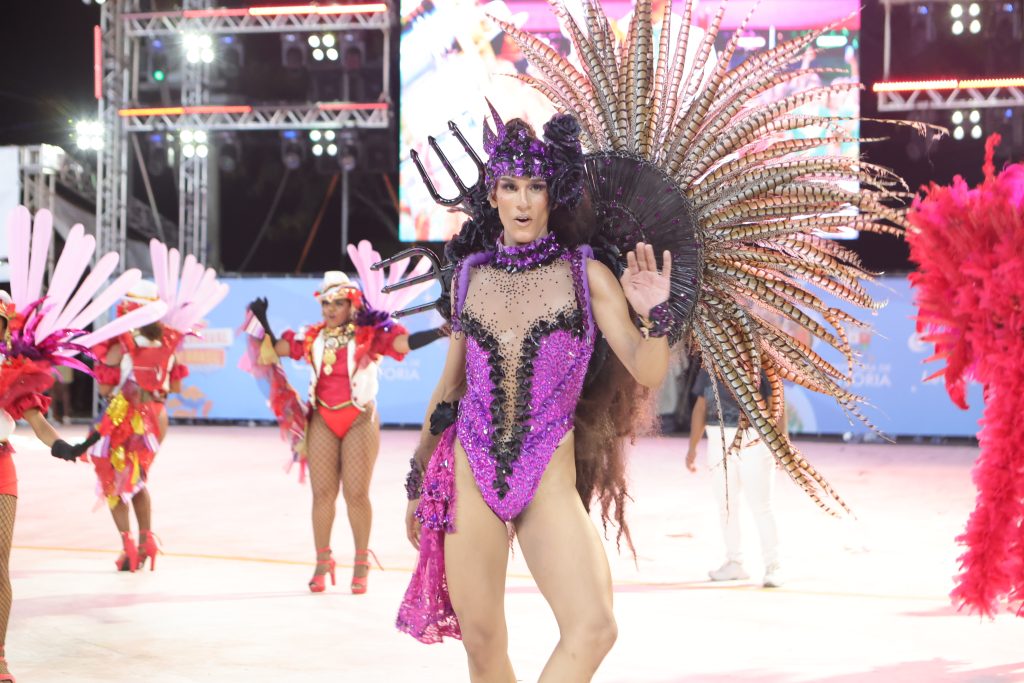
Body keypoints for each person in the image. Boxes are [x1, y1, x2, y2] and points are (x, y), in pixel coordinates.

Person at [396, 109, 674, 682]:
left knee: (595, 626)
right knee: (482, 642)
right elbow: (449, 389)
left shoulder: (585, 274)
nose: (522, 201)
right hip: (470, 471)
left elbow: (646, 370)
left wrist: (656, 316)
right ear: (492, 196)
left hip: (546, 478)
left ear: (553, 195)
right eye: (510, 186)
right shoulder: (470, 276)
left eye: (536, 186)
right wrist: (418, 479)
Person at [247, 269, 444, 594]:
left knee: (356, 494)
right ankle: (323, 562)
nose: (329, 310)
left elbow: (400, 342)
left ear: (352, 305)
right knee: (322, 494)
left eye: (337, 303)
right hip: (323, 419)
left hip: (359, 419)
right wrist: (263, 321)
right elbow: (280, 348)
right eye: (326, 304)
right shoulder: (314, 337)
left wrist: (437, 333)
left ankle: (361, 561)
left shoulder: (368, 334)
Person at [86, 240, 227, 573]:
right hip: (158, 416)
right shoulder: (168, 340)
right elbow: (175, 385)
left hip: (126, 416)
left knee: (113, 481)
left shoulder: (121, 340)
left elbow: (106, 385)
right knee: (136, 479)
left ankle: (129, 547)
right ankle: (147, 539)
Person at [686, 365, 782, 587]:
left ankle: (773, 565)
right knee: (726, 504)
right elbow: (701, 406)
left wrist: (779, 441)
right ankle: (734, 562)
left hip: (753, 438)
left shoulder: (758, 360)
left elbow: (775, 402)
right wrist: (692, 447)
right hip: (717, 437)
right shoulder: (709, 363)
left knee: (761, 505)